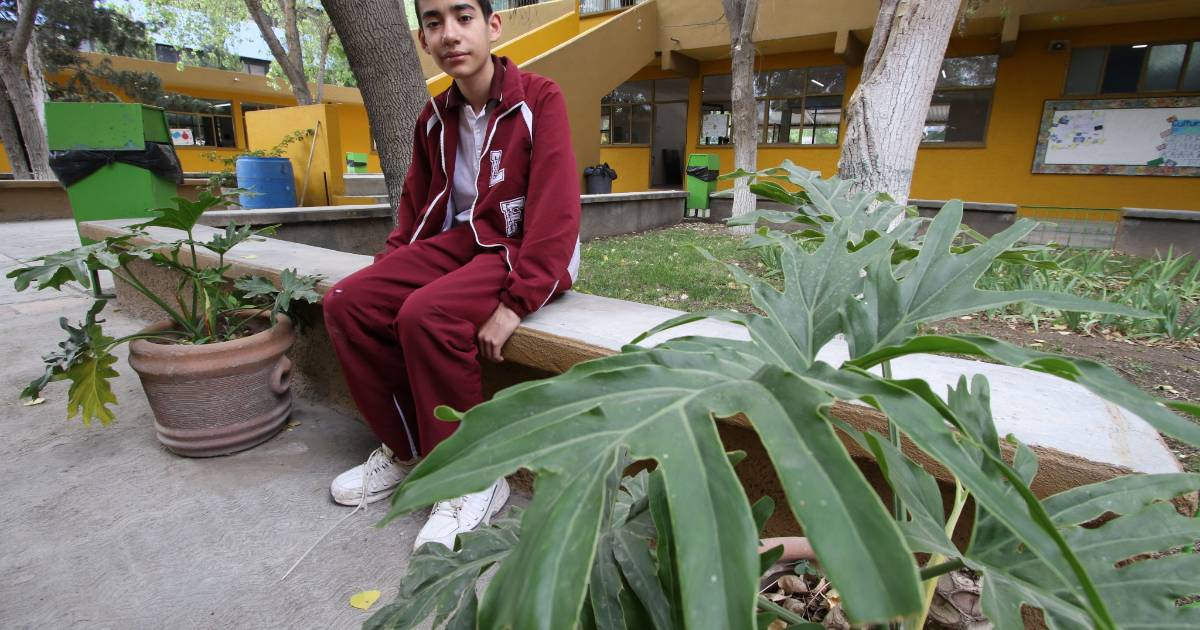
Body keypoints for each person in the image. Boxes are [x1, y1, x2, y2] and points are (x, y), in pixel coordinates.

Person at [321, 0, 580, 550]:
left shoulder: (539, 99)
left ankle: (474, 475)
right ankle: (407, 450)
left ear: (492, 26)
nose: (450, 35)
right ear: (423, 39)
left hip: (524, 247)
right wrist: (390, 272)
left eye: (464, 18)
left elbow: (556, 211)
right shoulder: (435, 117)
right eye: (434, 23)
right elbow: (416, 209)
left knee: (427, 314)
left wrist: (515, 304)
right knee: (348, 300)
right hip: (463, 243)